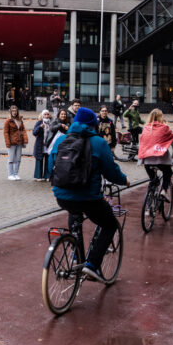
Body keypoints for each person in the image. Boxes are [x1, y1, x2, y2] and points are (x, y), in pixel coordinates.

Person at [50, 108, 130, 283]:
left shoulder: (61, 141)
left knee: (74, 212)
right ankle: (92, 265)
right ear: (93, 125)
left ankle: (76, 255)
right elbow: (111, 172)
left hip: (62, 196)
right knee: (109, 224)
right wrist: (124, 181)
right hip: (89, 198)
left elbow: (51, 168)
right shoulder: (99, 143)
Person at [138, 109, 173, 202]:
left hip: (146, 160)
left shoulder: (146, 128)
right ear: (160, 117)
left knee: (153, 180)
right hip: (160, 160)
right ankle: (163, 190)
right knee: (168, 172)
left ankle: (149, 205)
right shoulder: (164, 128)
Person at [3, 105, 28, 180]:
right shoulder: (8, 121)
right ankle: (10, 174)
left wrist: (25, 139)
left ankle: (16, 174)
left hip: (19, 142)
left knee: (18, 159)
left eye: (15, 111)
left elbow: (23, 130)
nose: (14, 112)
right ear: (10, 112)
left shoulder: (20, 119)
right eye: (13, 111)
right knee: (11, 159)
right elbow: (6, 132)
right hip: (11, 142)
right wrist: (8, 143)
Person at [45, 109, 71, 179]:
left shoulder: (68, 123)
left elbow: (70, 132)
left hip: (64, 144)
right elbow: (52, 129)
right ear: (58, 115)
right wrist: (60, 125)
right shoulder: (55, 121)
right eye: (62, 114)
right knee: (52, 159)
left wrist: (67, 128)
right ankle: (49, 175)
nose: (63, 115)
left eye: (64, 114)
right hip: (53, 143)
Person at [32, 110, 52, 181]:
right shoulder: (39, 122)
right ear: (42, 115)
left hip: (48, 144)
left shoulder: (51, 123)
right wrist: (40, 127)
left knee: (48, 160)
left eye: (47, 114)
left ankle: (47, 176)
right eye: (45, 114)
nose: (46, 116)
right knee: (39, 159)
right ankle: (38, 176)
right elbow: (34, 133)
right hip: (40, 144)